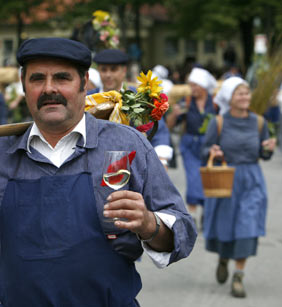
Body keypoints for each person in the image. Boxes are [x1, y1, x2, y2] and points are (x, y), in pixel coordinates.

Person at [0, 37, 196, 306]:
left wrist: (149, 224)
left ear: (84, 83)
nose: (49, 89)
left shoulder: (127, 143)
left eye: (62, 78)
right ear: (23, 85)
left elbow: (182, 232)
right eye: (37, 79)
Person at [201, 77, 276, 298]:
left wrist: (268, 149)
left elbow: (264, 154)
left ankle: (238, 276)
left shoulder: (259, 122)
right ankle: (224, 258)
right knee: (227, 227)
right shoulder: (219, 122)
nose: (245, 97)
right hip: (226, 180)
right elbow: (204, 151)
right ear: (229, 98)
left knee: (247, 227)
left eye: (246, 93)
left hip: (252, 181)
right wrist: (213, 153)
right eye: (239, 93)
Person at [89, 49, 173, 168]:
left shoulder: (138, 98)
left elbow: (159, 132)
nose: (108, 75)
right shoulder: (89, 99)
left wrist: (162, 159)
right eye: (104, 69)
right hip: (95, 164)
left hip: (134, 165)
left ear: (123, 71)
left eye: (113, 70)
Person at [166, 67, 217, 225]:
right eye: (191, 85)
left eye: (196, 85)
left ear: (203, 86)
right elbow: (170, 126)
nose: (192, 89)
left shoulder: (215, 104)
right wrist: (174, 114)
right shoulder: (186, 102)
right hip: (190, 144)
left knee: (208, 178)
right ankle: (193, 212)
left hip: (210, 145)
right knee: (193, 177)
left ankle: (206, 211)